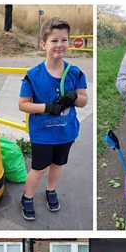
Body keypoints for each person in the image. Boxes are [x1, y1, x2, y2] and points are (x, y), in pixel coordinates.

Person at [18, 17, 88, 221]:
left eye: (64, 40)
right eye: (54, 40)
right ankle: (27, 197)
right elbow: (23, 104)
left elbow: (84, 101)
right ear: (44, 44)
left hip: (66, 132)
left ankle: (51, 190)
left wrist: (74, 96)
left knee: (57, 165)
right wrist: (47, 107)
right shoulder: (33, 74)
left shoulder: (75, 73)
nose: (59, 45)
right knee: (39, 168)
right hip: (42, 134)